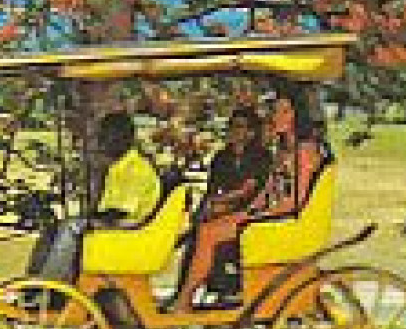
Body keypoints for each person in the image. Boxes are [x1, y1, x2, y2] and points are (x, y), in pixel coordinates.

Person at [28, 110, 162, 283]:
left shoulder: (135, 170)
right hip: (121, 227)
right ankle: (36, 283)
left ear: (125, 139)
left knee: (71, 227)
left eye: (107, 137)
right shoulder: (119, 167)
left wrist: (88, 221)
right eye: (102, 136)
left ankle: (47, 285)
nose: (102, 142)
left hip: (130, 232)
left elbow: (119, 213)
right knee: (52, 229)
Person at [171, 105, 271, 313]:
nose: (234, 132)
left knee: (209, 231)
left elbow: (247, 190)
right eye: (231, 126)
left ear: (251, 132)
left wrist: (217, 203)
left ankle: (188, 294)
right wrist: (203, 210)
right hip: (226, 210)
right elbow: (212, 189)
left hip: (251, 213)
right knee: (194, 235)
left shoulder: (261, 157)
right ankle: (189, 289)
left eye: (240, 127)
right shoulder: (221, 158)